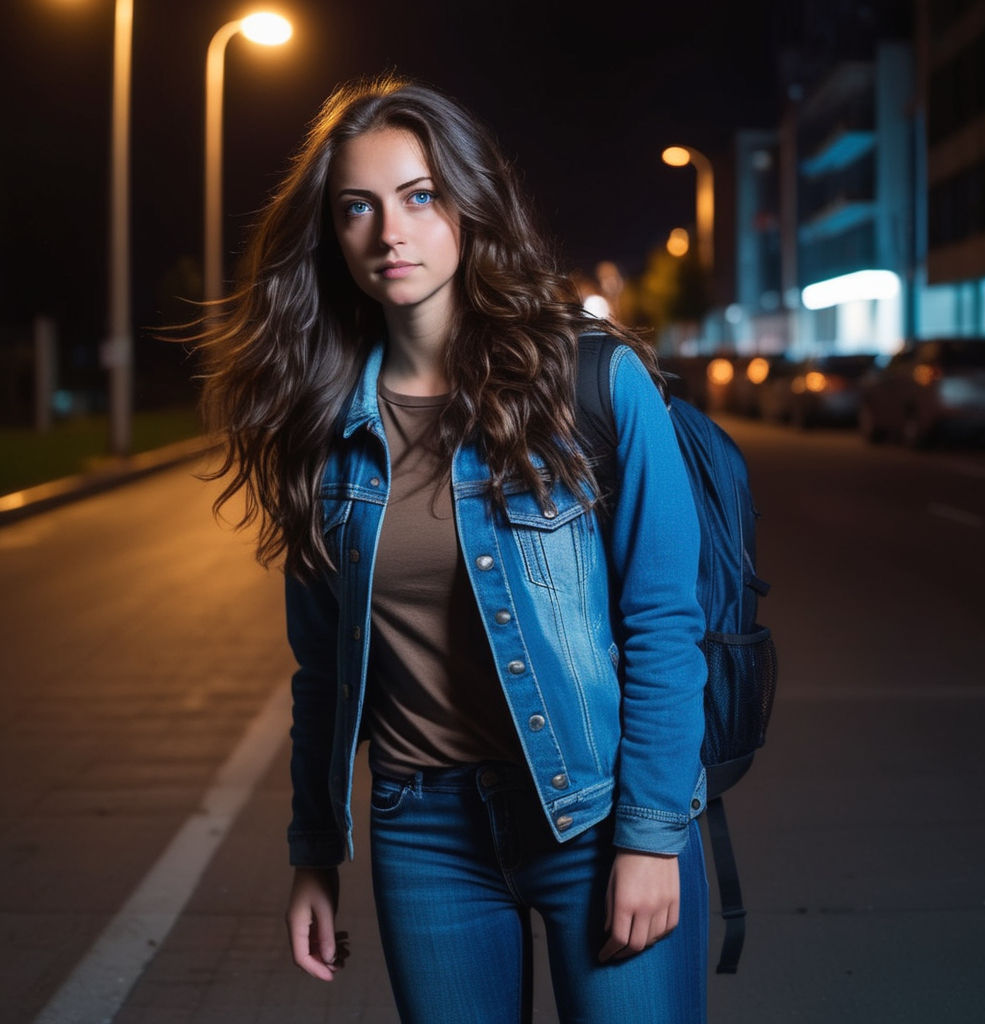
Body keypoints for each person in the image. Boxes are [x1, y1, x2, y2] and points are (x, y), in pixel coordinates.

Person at [198, 72, 709, 1023]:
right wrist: (315, 851)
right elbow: (321, 667)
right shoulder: (321, 425)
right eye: (358, 207)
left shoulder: (593, 383)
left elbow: (664, 624)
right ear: (333, 234)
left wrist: (650, 835)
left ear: (469, 206)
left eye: (419, 196)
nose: (389, 232)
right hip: (422, 833)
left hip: (591, 816)